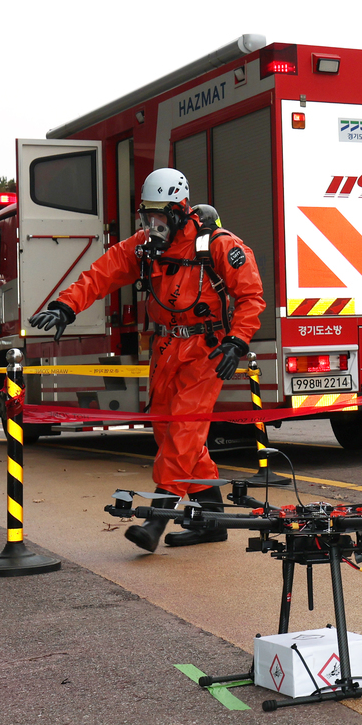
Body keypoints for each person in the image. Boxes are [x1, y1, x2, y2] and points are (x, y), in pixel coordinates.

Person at [28, 168, 265, 553]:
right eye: (147, 217)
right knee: (171, 434)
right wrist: (65, 307)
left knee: (185, 429)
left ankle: (158, 516)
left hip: (206, 348)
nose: (152, 226)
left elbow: (251, 296)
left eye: (160, 218)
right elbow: (99, 275)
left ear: (179, 211)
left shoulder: (218, 245)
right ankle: (211, 521)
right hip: (166, 349)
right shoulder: (143, 248)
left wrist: (237, 342)